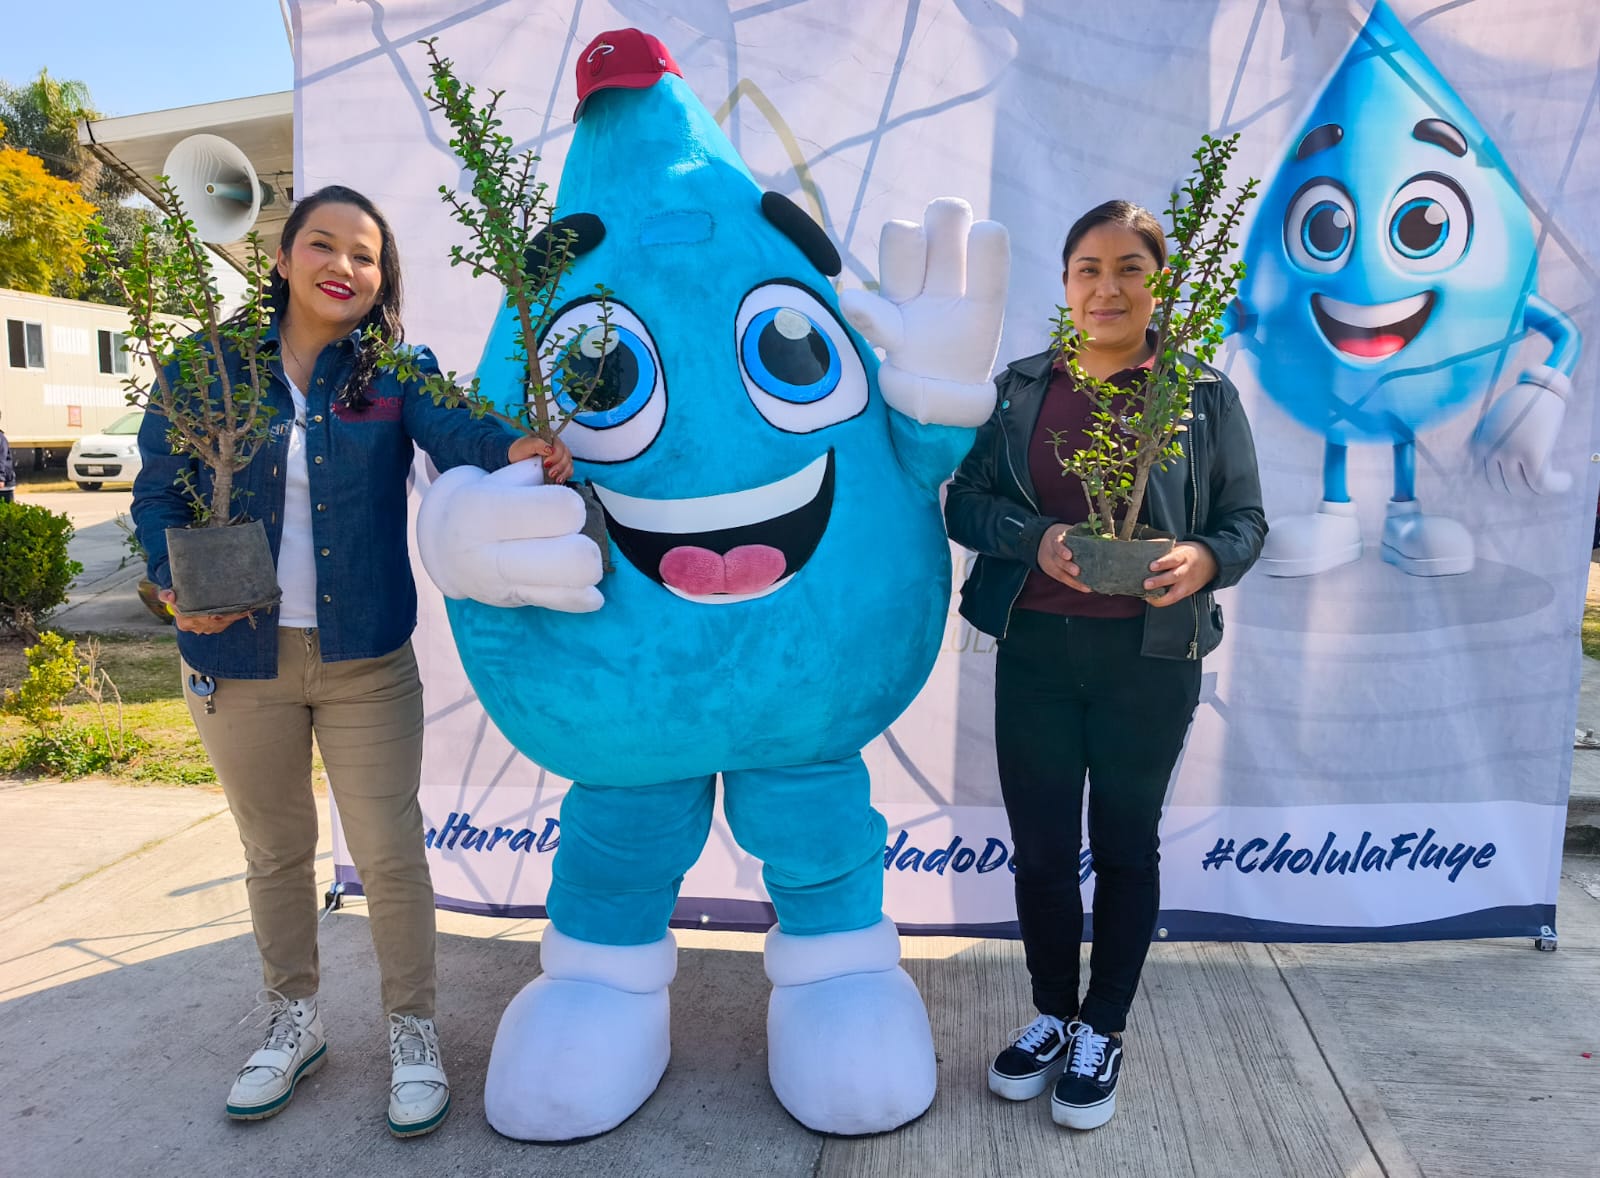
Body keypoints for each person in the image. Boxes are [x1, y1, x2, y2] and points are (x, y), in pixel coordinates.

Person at [131, 185, 570, 1138]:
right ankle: (293, 1020)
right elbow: (158, 493)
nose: (343, 266)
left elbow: (460, 433)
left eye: (364, 255)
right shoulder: (206, 367)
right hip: (236, 658)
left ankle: (413, 1029)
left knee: (388, 852)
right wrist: (171, 584)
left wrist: (518, 448)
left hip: (366, 656)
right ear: (282, 258)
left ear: (381, 276)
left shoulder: (394, 371)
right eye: (323, 245)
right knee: (275, 850)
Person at [944, 199, 1265, 1131]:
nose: (1108, 287)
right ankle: (1053, 1013)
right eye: (1089, 268)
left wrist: (1203, 559)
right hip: (1037, 654)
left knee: (1127, 845)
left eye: (1130, 268)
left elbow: (1246, 522)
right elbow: (965, 503)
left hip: (1149, 661)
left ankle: (1104, 1027)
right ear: (1066, 283)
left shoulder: (1201, 396)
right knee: (1043, 849)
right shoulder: (1020, 391)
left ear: (1158, 284)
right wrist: (1033, 538)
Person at [0, 411, 15, 503]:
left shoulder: (1, 438)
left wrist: (0, 478)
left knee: (6, 509)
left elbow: (1, 459)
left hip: (4, 485)